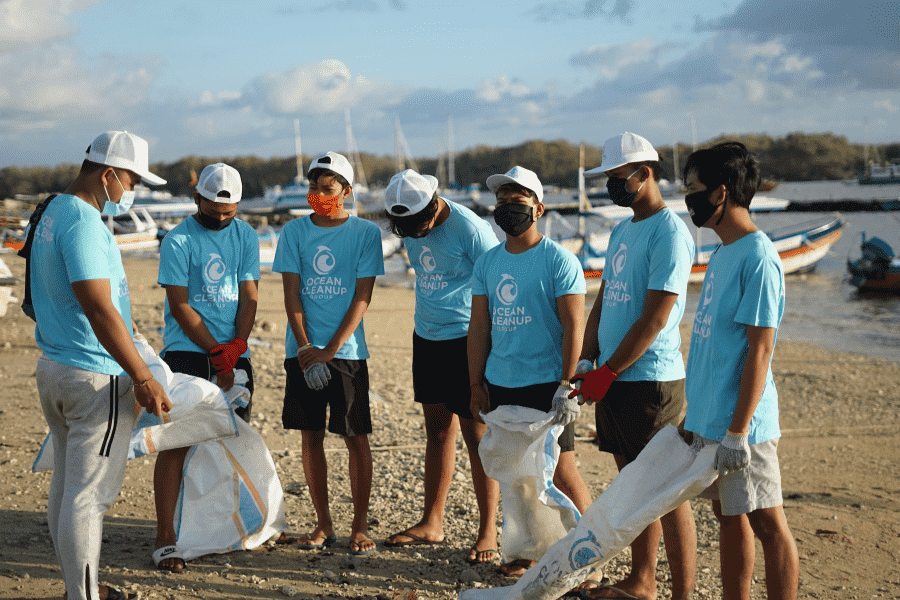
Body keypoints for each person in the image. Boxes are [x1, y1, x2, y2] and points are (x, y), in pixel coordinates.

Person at [30, 131, 172, 600]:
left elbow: (36, 299)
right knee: (88, 497)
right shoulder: (86, 224)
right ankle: (84, 595)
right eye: (130, 180)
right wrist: (143, 376)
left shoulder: (51, 210)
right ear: (108, 174)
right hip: (95, 375)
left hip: (55, 365)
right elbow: (98, 306)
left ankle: (79, 587)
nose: (130, 191)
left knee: (68, 489)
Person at [570, 132, 697, 600]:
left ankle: (680, 593)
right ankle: (643, 579)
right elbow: (606, 297)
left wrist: (611, 371)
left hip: (651, 380)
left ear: (644, 175)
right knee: (632, 483)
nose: (610, 187)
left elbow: (657, 315)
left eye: (617, 178)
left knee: (665, 491)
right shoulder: (624, 230)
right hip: (616, 376)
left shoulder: (670, 232)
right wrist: (588, 358)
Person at [681, 142, 799, 599]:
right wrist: (698, 420)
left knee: (768, 522)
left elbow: (760, 350)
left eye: (694, 189)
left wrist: (737, 431)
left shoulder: (759, 256)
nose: (688, 199)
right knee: (729, 516)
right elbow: (714, 344)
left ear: (720, 193)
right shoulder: (722, 252)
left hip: (743, 424)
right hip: (712, 419)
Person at [467, 166, 592, 577]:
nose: (507, 208)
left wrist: (567, 384)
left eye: (516, 201)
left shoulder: (559, 260)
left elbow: (575, 326)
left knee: (561, 470)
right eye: (501, 201)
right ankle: (526, 551)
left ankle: (591, 552)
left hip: (547, 384)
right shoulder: (488, 262)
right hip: (502, 381)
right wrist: (476, 383)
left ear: (538, 208)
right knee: (517, 476)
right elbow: (480, 326)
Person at [381, 169, 501, 564]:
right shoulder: (412, 226)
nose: (413, 234)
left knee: (477, 436)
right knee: (436, 431)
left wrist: (489, 354)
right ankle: (432, 521)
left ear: (433, 207)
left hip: (466, 340)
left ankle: (488, 532)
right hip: (426, 336)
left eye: (417, 225)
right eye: (405, 228)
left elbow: (497, 290)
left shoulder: (471, 229)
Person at [273, 151, 385, 556]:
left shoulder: (365, 234)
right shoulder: (293, 232)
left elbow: (362, 296)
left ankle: (359, 528)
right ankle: (323, 525)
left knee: (355, 438)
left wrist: (331, 350)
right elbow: (291, 293)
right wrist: (306, 347)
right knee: (311, 437)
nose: (317, 194)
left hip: (347, 352)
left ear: (346, 191)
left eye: (327, 188)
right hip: (302, 351)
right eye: (312, 187)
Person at [153, 162, 260, 572]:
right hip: (187, 352)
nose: (220, 220)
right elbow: (180, 303)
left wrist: (236, 346)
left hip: (233, 350)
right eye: (212, 212)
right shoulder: (178, 241)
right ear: (196, 198)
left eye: (228, 213)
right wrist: (215, 351)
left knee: (231, 439)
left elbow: (249, 294)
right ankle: (165, 537)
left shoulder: (246, 235)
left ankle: (223, 528)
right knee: (177, 443)